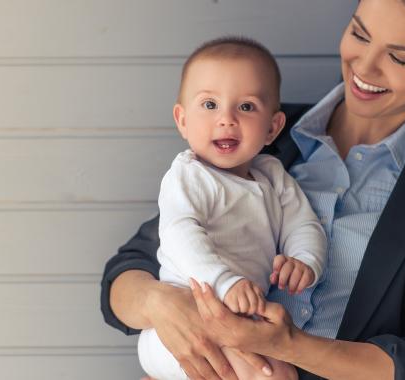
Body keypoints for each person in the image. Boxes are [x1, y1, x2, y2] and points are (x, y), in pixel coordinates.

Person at [101, 0, 405, 379]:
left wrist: (286, 347)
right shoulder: (254, 133)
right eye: (359, 33)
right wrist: (165, 305)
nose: (365, 67)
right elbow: (126, 273)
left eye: (398, 57)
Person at [137, 37, 327, 380]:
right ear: (182, 120)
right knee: (266, 375)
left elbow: (304, 225)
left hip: (236, 322)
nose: (226, 119)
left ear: (273, 127)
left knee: (280, 373)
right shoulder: (188, 176)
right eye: (209, 105)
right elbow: (181, 235)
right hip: (182, 323)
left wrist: (304, 261)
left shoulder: (274, 176)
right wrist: (224, 282)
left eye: (246, 107)